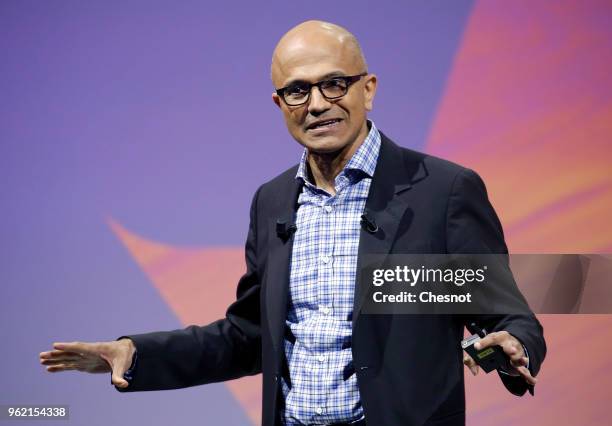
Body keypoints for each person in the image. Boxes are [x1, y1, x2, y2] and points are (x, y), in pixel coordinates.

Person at [40, 20, 546, 426]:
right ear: (280, 105)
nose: (319, 104)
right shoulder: (272, 201)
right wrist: (137, 353)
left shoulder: (443, 190)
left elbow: (504, 312)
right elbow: (249, 336)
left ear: (367, 89)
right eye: (298, 91)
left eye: (334, 84)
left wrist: (513, 342)